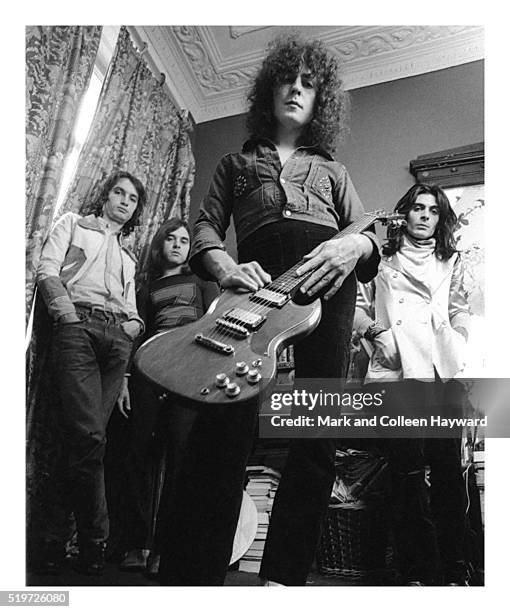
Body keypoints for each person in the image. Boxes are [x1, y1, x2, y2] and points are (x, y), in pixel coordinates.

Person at [182, 34, 380, 586]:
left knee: (317, 427)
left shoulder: (335, 172)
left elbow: (369, 233)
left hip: (329, 282)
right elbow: (204, 228)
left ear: (322, 102)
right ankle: (196, 577)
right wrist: (225, 267)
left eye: (309, 84)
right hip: (255, 287)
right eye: (286, 80)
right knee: (223, 422)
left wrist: (354, 246)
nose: (296, 88)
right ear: (268, 92)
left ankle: (283, 581)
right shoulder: (234, 163)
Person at [355, 183, 471, 585]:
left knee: (447, 475)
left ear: (440, 219)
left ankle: (455, 569)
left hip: (440, 372)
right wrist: (377, 334)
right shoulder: (379, 258)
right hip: (398, 369)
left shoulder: (451, 260)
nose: (424, 215)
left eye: (433, 210)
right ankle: (418, 573)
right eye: (417, 208)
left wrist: (457, 342)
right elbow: (355, 305)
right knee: (405, 476)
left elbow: (460, 310)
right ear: (404, 213)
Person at [35, 170, 146, 575]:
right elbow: (47, 269)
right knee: (89, 436)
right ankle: (94, 539)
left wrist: (132, 328)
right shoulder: (73, 225)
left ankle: (50, 538)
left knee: (85, 442)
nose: (123, 201)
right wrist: (66, 317)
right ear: (105, 195)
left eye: (132, 199)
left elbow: (133, 308)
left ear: (135, 210)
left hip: (116, 341)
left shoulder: (130, 257)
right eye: (118, 192)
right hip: (77, 330)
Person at [115, 218, 218, 576]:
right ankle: (135, 543)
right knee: (136, 454)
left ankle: (165, 549)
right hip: (148, 373)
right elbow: (139, 335)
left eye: (184, 240)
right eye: (170, 239)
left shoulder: (202, 284)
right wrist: (126, 378)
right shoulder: (146, 288)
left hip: (188, 374)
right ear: (160, 245)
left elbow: (213, 326)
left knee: (180, 458)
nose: (177, 244)